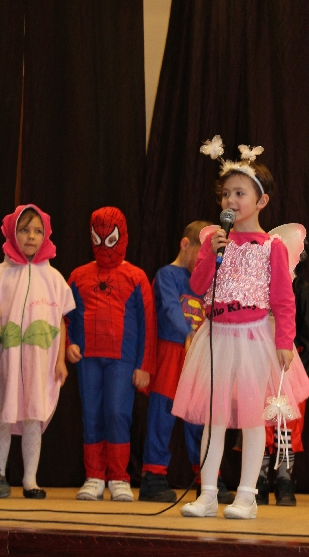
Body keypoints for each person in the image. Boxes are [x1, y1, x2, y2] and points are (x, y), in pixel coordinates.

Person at [172, 136, 309, 519]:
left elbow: (283, 299)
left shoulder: (271, 246)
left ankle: (247, 496)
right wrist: (211, 253)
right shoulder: (212, 240)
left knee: (252, 420)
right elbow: (197, 286)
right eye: (225, 194)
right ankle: (207, 493)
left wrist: (284, 341)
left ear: (261, 201)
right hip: (217, 335)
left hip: (254, 337)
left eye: (239, 193)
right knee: (214, 420)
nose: (230, 201)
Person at [66, 206, 156, 502]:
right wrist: (68, 343)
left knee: (117, 414)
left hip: (122, 359)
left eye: (110, 239)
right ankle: (94, 475)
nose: (104, 245)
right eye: (98, 239)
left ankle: (118, 476)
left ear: (122, 236)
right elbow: (64, 316)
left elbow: (148, 323)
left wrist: (144, 365)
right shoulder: (78, 276)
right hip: (88, 359)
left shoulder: (136, 277)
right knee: (92, 414)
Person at [140, 220, 233, 504]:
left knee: (200, 419)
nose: (205, 261)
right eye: (202, 254)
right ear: (185, 245)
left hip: (200, 354)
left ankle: (208, 478)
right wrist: (188, 333)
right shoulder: (167, 274)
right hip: (172, 351)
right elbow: (170, 307)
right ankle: (153, 477)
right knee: (162, 415)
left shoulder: (208, 279)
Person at [0, 204, 75, 498]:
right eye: (24, 230)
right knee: (4, 415)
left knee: (33, 416)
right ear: (12, 233)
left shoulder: (53, 278)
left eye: (37, 231)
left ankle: (30, 480)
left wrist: (60, 360)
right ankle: (1, 474)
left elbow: (60, 321)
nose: (31, 236)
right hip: (7, 360)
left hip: (39, 362)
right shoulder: (3, 274)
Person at [256, 240, 309, 506]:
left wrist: (306, 371)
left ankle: (284, 480)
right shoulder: (258, 286)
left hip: (291, 367)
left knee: (287, 426)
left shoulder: (303, 290)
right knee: (260, 423)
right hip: (261, 365)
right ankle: (259, 479)